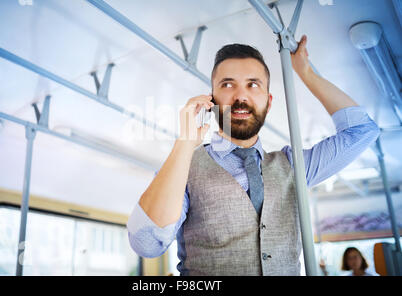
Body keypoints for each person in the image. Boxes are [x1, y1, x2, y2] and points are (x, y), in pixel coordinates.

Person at [127, 35, 380, 275]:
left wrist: (307, 73)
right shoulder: (183, 168)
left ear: (268, 102)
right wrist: (184, 143)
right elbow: (147, 244)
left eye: (253, 84)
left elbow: (361, 130)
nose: (241, 96)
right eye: (227, 85)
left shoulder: (294, 166)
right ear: (211, 99)